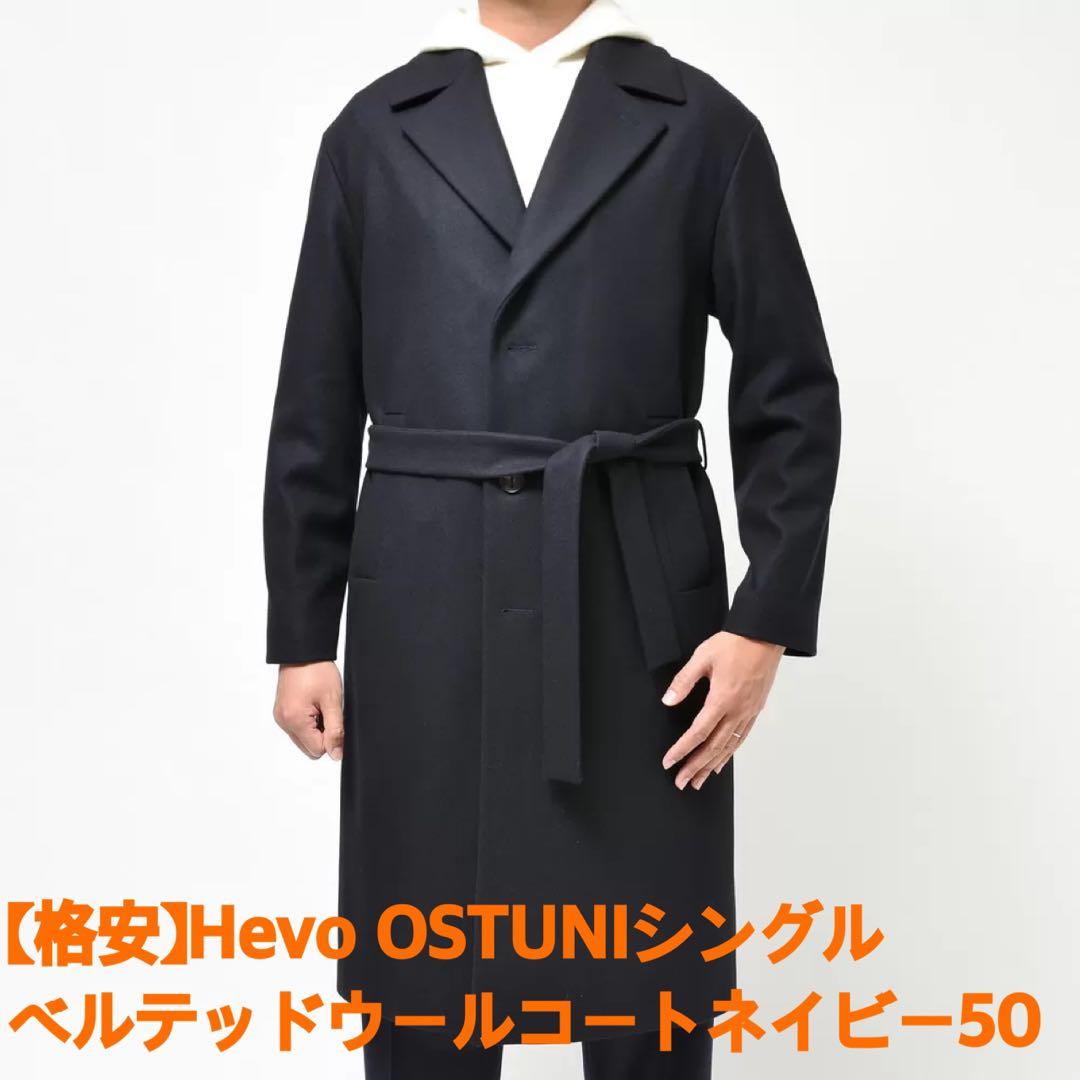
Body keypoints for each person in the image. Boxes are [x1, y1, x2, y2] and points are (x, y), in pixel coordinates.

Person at [263, 0, 841, 1075]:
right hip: (428, 608)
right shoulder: (375, 131)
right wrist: (302, 632)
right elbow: (316, 399)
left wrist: (765, 619)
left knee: (646, 1004)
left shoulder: (703, 125)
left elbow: (792, 390)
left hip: (636, 611)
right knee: (428, 1000)